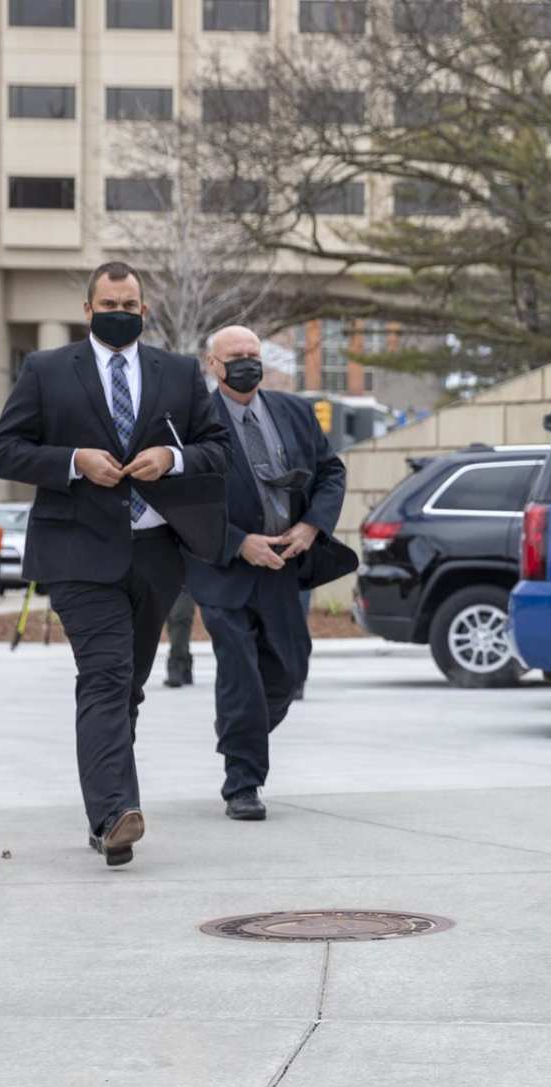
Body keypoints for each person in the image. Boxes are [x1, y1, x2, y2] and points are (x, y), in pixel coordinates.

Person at [0, 261, 230, 867]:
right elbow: (4, 452)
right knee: (105, 676)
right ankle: (116, 812)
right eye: (109, 302)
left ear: (144, 311)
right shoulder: (46, 370)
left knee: (129, 687)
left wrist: (172, 459)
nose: (122, 311)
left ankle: (106, 815)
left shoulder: (177, 373)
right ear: (88, 309)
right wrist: (72, 461)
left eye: (132, 303)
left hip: (155, 555)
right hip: (77, 554)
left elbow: (218, 448)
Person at [186, 325, 346, 821]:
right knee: (240, 673)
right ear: (213, 364)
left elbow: (330, 472)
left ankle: (243, 736)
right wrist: (239, 542)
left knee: (288, 669)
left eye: (252, 354)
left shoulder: (294, 411)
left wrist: (312, 527)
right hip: (224, 568)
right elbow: (184, 500)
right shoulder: (193, 423)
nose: (246, 363)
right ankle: (243, 782)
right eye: (234, 356)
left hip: (285, 563)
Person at [163, 587, 195, 687]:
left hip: (185, 579)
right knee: (173, 619)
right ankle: (184, 665)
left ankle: (177, 665)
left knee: (180, 615)